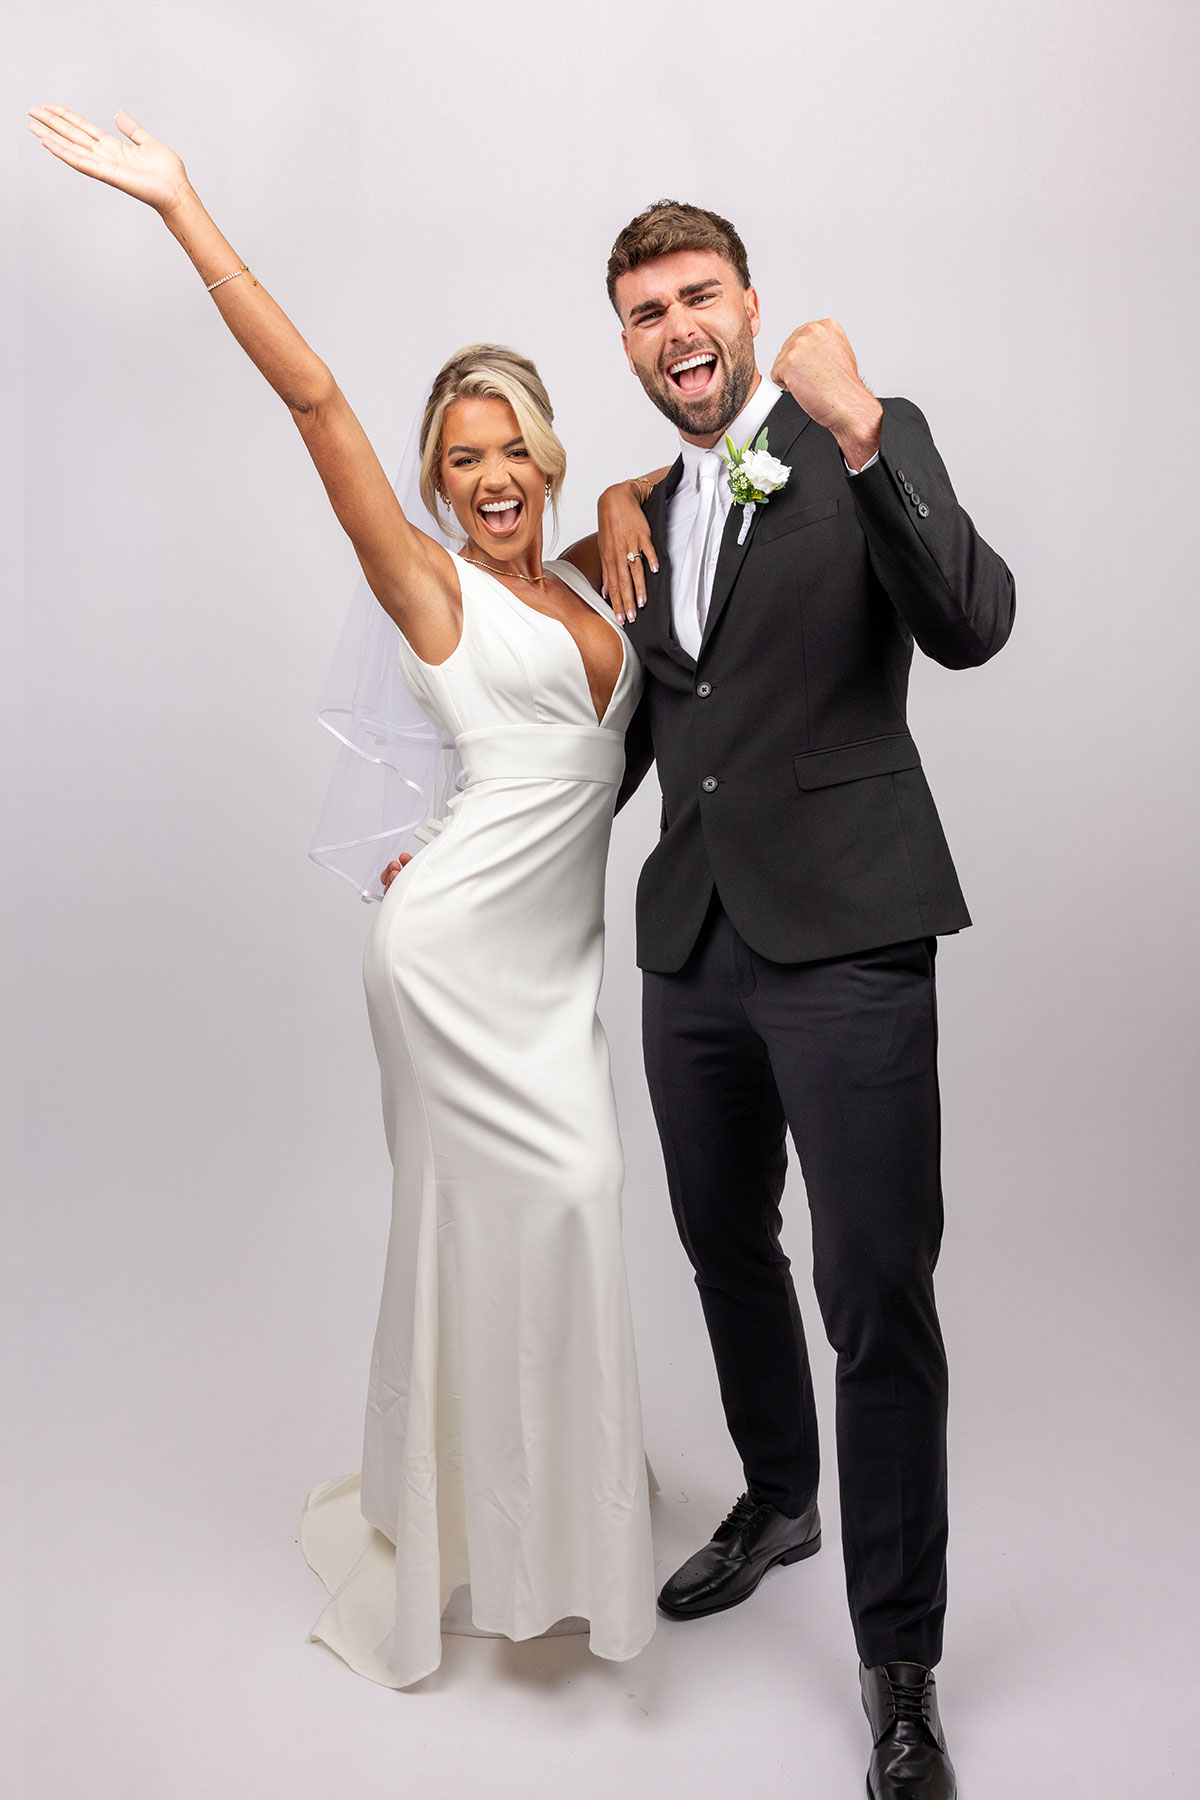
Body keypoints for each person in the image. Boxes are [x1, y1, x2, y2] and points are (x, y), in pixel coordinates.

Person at [26, 104, 656, 1688]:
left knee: (569, 1216)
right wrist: (181, 205)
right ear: (435, 482)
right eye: (462, 457)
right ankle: (471, 1537)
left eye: (513, 448)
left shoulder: (588, 574)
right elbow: (314, 398)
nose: (491, 475)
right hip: (448, 966)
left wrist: (627, 501)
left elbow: (678, 490)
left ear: (548, 457)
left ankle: (552, 1525)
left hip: (553, 975)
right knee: (493, 1225)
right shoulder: (429, 584)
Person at [592, 201, 1015, 1800]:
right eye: (646, 312)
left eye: (697, 296)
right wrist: (475, 852)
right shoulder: (643, 511)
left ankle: (899, 1664)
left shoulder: (863, 435)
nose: (678, 329)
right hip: (693, 940)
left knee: (876, 1288)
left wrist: (858, 430)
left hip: (848, 934)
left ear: (750, 306)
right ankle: (781, 1498)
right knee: (721, 1241)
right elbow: (640, 731)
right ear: (627, 344)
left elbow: (972, 623)